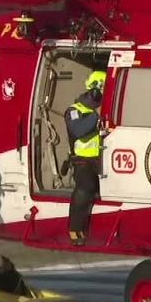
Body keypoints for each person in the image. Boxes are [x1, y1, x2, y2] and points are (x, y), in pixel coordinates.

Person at [65, 70, 107, 246]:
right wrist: (97, 117)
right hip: (82, 160)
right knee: (85, 188)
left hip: (101, 158)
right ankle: (75, 229)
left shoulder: (100, 111)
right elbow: (79, 130)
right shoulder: (74, 111)